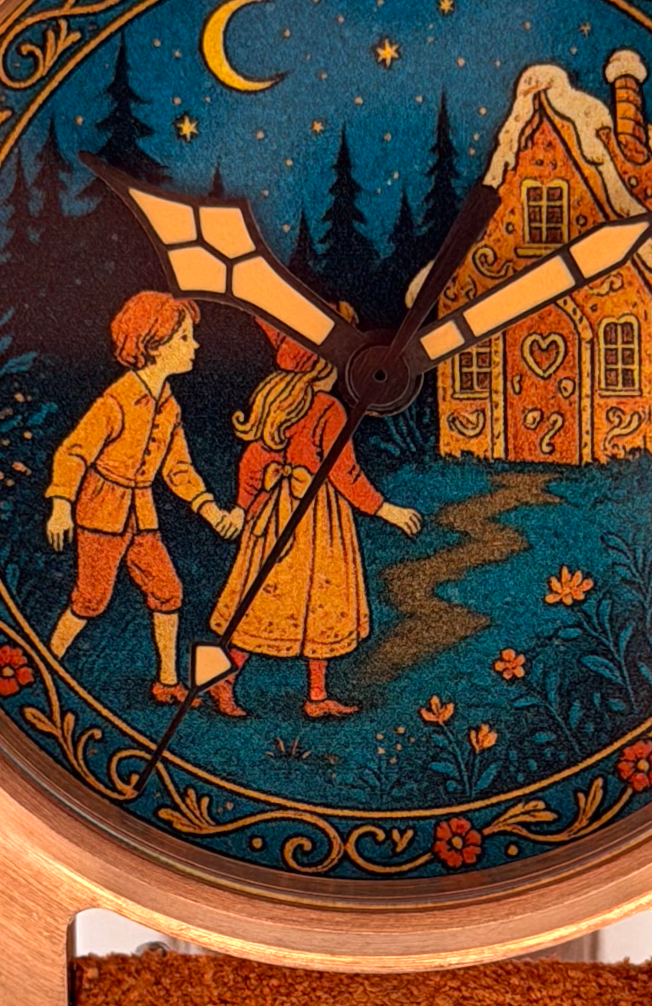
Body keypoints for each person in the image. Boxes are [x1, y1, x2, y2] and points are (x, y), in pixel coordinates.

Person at [207, 322, 421, 718]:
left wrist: (242, 507)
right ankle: (312, 696)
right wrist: (385, 510)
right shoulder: (327, 409)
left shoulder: (274, 400)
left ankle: (229, 680)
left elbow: (253, 461)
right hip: (318, 518)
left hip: (272, 516)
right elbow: (345, 472)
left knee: (261, 599)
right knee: (321, 602)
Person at [45, 291, 242, 703]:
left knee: (168, 590)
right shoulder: (116, 401)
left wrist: (211, 511)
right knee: (91, 599)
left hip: (142, 513)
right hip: (102, 511)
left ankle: (167, 681)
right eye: (184, 338)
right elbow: (74, 452)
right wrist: (61, 506)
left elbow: (178, 469)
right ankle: (47, 662)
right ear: (154, 345)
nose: (195, 346)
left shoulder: (168, 406)